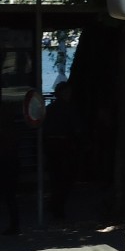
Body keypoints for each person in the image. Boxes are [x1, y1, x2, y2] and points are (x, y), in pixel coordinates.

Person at [43, 81, 83, 220]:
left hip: (53, 146)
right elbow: (76, 129)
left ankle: (55, 205)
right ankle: (57, 206)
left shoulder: (50, 109)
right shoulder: (69, 109)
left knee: (57, 179)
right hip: (64, 146)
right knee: (65, 179)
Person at [0, 103, 22, 235]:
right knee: (10, 197)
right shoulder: (14, 130)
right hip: (12, 166)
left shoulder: (0, 132)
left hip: (1, 166)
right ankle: (14, 225)